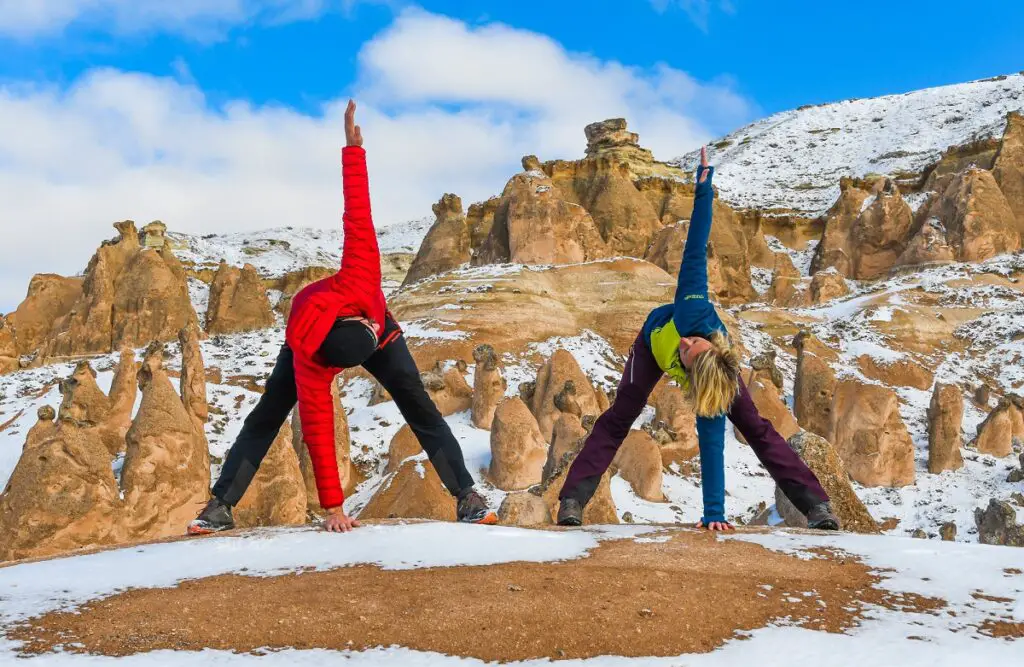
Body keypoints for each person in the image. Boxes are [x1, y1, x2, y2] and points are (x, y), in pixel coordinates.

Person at [188, 101, 496, 535]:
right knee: (268, 413)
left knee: (418, 405)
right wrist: (334, 508)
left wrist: (353, 151)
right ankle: (219, 506)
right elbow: (317, 427)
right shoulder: (308, 356)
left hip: (375, 328)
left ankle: (467, 495)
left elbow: (357, 213)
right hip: (312, 337)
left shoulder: (361, 274)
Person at [556, 146, 839, 531]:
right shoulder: (692, 317)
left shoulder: (709, 388)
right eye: (693, 344)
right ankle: (573, 499)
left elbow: (712, 444)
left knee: (756, 428)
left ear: (691, 375)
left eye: (689, 351)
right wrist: (704, 188)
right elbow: (694, 251)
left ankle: (817, 506)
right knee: (619, 416)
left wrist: (714, 515)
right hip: (652, 341)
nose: (687, 344)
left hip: (708, 378)